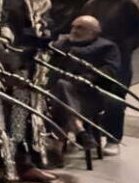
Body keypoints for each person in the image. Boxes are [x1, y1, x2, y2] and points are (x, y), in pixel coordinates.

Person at [82, 0, 139, 153]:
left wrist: (124, 48)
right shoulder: (91, 4)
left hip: (119, 60)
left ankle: (113, 139)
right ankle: (89, 135)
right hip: (94, 58)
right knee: (89, 95)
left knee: (115, 99)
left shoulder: (127, 3)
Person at [49, 15, 121, 158]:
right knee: (61, 88)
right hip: (60, 94)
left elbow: (110, 71)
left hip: (89, 96)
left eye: (80, 27)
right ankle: (79, 130)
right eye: (73, 26)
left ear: (94, 31)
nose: (74, 30)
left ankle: (56, 148)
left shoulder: (106, 47)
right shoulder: (61, 45)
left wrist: (86, 78)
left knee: (61, 92)